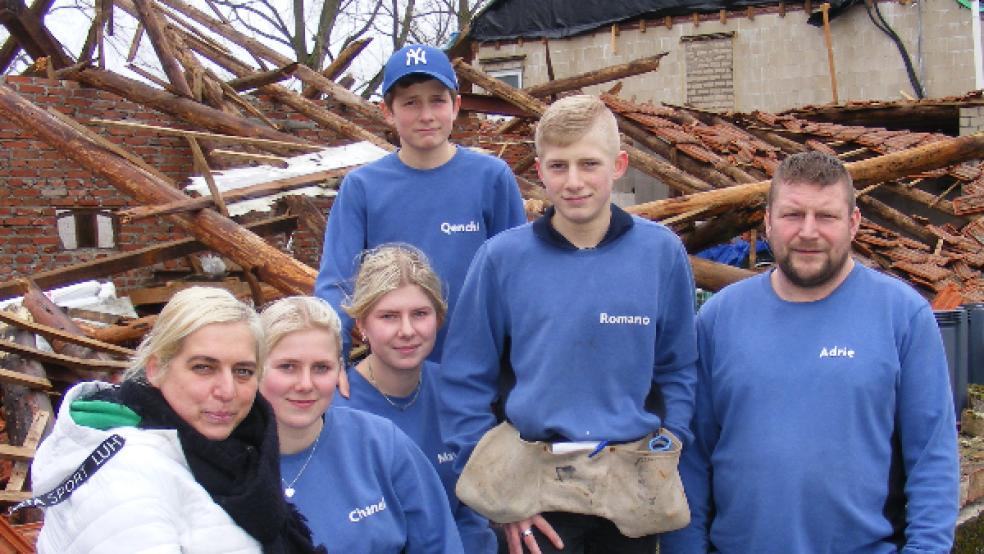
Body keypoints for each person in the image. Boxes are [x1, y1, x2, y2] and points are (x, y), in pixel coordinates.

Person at [660, 151, 960, 553]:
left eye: (826, 216)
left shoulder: (902, 317)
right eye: (792, 215)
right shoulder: (719, 319)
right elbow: (691, 464)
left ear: (853, 224)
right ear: (767, 221)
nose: (808, 231)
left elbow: (932, 462)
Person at [438, 94, 699, 554]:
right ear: (539, 170)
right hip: (533, 487)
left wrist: (670, 441)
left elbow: (677, 366)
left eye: (589, 164)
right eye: (558, 166)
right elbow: (463, 378)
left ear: (618, 165)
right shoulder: (503, 259)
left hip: (630, 487)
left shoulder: (660, 254)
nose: (574, 182)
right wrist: (498, 493)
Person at [30, 286, 325, 553]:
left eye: (243, 371)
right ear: (156, 369)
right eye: (203, 368)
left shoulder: (233, 456)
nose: (227, 390)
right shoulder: (126, 480)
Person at [315, 43, 527, 363]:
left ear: (455, 106)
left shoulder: (490, 179)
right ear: (388, 111)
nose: (426, 115)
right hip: (396, 373)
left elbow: (518, 279)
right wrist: (330, 363)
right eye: (411, 102)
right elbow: (337, 286)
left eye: (437, 100)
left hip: (478, 374)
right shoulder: (362, 188)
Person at [258, 295, 465, 553]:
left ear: (339, 370)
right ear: (256, 368)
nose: (305, 384)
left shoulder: (380, 442)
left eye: (321, 368)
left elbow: (439, 543)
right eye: (288, 367)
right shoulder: (227, 461)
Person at [333, 243, 497, 553]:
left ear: (438, 318)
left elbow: (472, 509)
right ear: (361, 325)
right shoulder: (337, 409)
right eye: (389, 316)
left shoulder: (458, 393)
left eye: (420, 314)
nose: (407, 331)